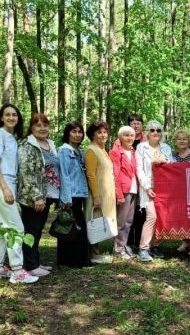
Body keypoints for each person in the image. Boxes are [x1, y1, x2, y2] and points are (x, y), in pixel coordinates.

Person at [0, 104, 38, 284]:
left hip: (9, 183)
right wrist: (5, 187)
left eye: (14, 114)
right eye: (7, 115)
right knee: (17, 228)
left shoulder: (12, 137)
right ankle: (17, 271)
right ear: (1, 118)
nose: (11, 117)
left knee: (1, 228)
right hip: (2, 183)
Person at [17, 113, 58, 278]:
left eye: (45, 125)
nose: (42, 128)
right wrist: (37, 197)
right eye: (38, 125)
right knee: (31, 230)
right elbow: (27, 173)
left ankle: (36, 262)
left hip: (47, 195)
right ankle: (31, 265)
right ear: (31, 128)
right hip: (32, 197)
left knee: (39, 229)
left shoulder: (50, 144)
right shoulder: (27, 145)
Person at [135, 120, 172, 262]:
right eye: (152, 130)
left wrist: (165, 160)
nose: (155, 132)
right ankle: (143, 249)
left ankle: (155, 246)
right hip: (148, 188)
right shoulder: (141, 147)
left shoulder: (166, 147)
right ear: (147, 133)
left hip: (164, 188)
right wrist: (147, 187)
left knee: (161, 217)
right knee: (152, 217)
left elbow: (171, 164)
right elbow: (139, 168)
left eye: (158, 130)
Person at [57, 121, 90, 268]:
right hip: (70, 195)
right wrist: (66, 198)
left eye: (79, 132)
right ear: (67, 133)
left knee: (72, 227)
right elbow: (64, 174)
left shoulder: (79, 151)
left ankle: (69, 260)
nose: (77, 135)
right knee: (72, 227)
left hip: (79, 193)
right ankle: (76, 261)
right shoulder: (64, 151)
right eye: (74, 132)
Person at [85, 120, 117, 265]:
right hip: (97, 195)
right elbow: (90, 175)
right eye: (99, 132)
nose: (103, 135)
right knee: (95, 222)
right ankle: (93, 255)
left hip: (107, 193)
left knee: (102, 221)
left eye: (105, 132)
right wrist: (96, 196)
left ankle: (96, 253)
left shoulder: (103, 150)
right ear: (92, 134)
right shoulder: (91, 150)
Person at [110, 126, 139, 260]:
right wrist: (119, 194)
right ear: (120, 137)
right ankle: (118, 248)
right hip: (124, 190)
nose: (130, 138)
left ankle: (124, 244)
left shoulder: (133, 151)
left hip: (133, 189)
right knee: (121, 222)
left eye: (132, 135)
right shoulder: (115, 152)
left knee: (129, 221)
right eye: (126, 135)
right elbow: (115, 175)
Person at [127, 113, 146, 251]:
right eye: (133, 122)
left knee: (141, 213)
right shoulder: (122, 140)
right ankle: (127, 242)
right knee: (128, 214)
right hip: (128, 182)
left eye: (138, 122)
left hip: (143, 182)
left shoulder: (147, 140)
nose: (136, 125)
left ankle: (139, 242)